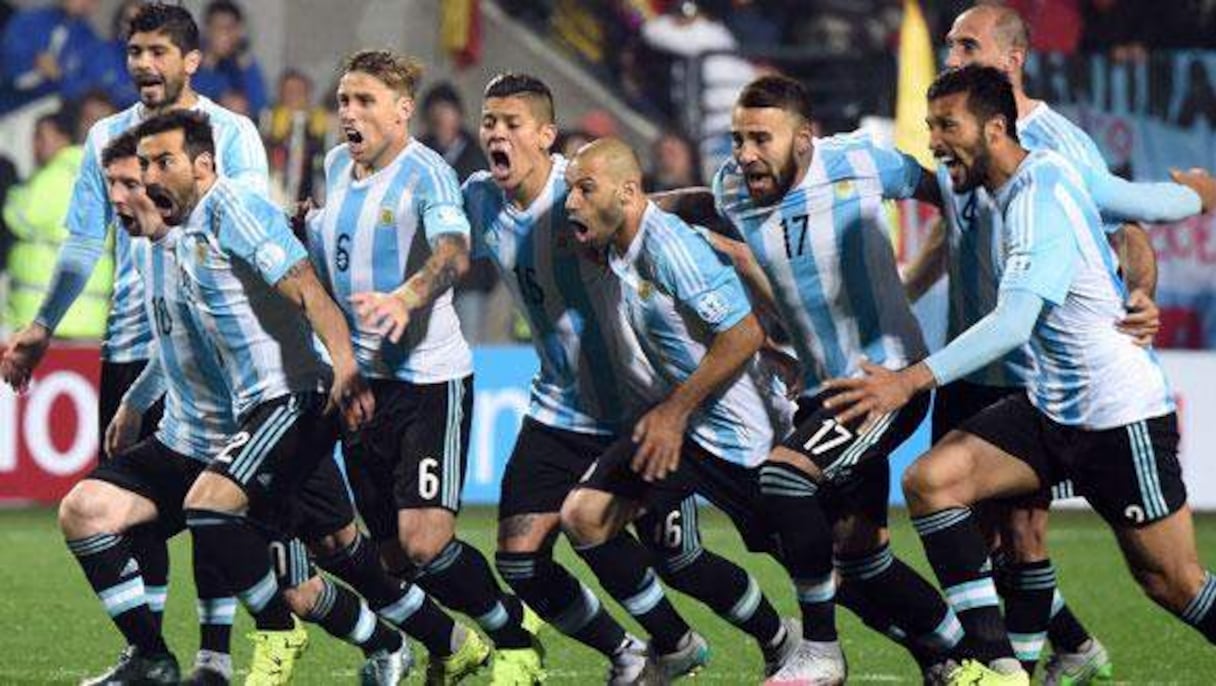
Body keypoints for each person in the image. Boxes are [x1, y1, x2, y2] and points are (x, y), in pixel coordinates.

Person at [825, 64, 1216, 686]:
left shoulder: (1038, 196)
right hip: (1053, 406)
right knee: (933, 483)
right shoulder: (1038, 177)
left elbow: (1013, 322)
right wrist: (1196, 195)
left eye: (946, 126)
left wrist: (909, 380)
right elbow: (1137, 199)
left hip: (1118, 415)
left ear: (996, 127)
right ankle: (999, 666)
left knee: (1171, 583)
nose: (933, 142)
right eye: (930, 126)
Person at [0, 10, 269, 672]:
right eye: (135, 51)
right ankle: (148, 654)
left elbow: (249, 232)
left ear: (192, 60)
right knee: (131, 512)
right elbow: (85, 242)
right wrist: (42, 325)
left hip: (212, 351)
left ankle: (215, 656)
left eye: (158, 51)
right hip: (130, 345)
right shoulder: (104, 136)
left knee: (215, 505)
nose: (143, 63)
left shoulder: (231, 135)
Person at [558, 135, 856, 685]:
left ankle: (946, 650)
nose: (571, 201)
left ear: (625, 193)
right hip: (685, 428)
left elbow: (740, 331)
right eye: (569, 189)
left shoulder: (669, 247)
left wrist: (676, 409)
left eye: (584, 189)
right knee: (587, 517)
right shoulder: (620, 237)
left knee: (847, 569)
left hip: (740, 434)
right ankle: (683, 645)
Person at [703, 74, 966, 681]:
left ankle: (820, 651)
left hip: (882, 384)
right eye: (737, 137)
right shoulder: (731, 188)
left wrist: (927, 281)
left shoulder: (860, 161)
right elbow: (713, 214)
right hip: (820, 392)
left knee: (787, 482)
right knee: (858, 559)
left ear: (804, 138)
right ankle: (959, 654)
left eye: (760, 138)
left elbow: (957, 202)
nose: (744, 153)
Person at [308, 50, 542, 685]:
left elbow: (453, 253)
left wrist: (405, 297)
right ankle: (454, 645)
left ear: (401, 110)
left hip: (430, 384)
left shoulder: (428, 174)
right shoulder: (336, 167)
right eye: (343, 102)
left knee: (424, 542)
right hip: (362, 385)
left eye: (364, 102)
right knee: (391, 556)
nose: (348, 114)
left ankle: (515, 637)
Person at [3, 109, 106, 339]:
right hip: (88, 318)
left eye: (42, 137)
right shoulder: (96, 177)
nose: (35, 146)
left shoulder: (57, 175)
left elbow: (18, 217)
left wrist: (15, 192)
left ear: (63, 138)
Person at [0, 0, 101, 113]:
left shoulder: (91, 42)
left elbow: (82, 88)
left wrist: (59, 77)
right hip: (7, 98)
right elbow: (7, 58)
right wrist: (33, 62)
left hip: (46, 113)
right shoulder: (30, 18)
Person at [192, 0, 267, 117]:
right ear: (207, 30)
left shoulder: (240, 60)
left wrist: (246, 62)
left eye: (230, 28)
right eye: (218, 28)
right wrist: (208, 65)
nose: (224, 34)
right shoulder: (191, 55)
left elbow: (260, 105)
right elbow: (188, 99)